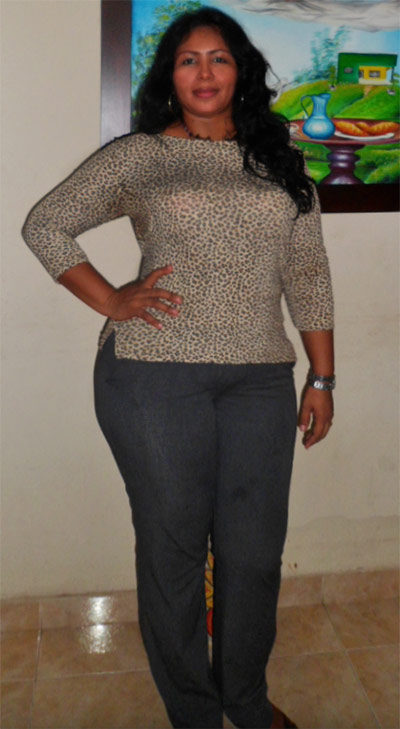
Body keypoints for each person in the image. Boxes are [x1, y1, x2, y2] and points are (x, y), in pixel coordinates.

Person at [22, 7, 334, 728]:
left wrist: (322, 377)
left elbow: (308, 271)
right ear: (171, 74)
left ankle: (244, 698)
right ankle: (193, 710)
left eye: (219, 57)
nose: (204, 72)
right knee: (175, 549)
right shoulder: (141, 156)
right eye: (188, 59)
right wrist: (111, 297)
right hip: (153, 376)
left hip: (260, 376)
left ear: (240, 72)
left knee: (254, 552)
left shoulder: (279, 162)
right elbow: (46, 223)